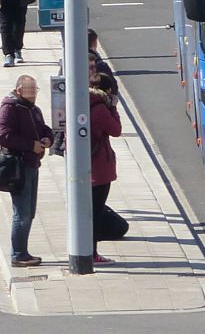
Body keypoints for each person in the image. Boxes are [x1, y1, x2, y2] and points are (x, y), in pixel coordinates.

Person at [0, 75, 54, 268]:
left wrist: (47, 139)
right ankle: (18, 254)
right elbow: (3, 135)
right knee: (23, 212)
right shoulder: (10, 108)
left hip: (32, 164)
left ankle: (22, 251)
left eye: (35, 91)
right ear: (18, 90)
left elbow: (44, 129)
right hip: (19, 167)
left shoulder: (33, 109)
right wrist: (31, 145)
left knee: (29, 211)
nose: (33, 95)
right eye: (29, 91)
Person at [88, 53, 122, 265]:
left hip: (92, 164)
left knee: (92, 211)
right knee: (95, 212)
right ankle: (91, 253)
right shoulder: (100, 108)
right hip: (98, 168)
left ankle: (90, 251)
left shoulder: (86, 102)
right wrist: (114, 109)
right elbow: (116, 130)